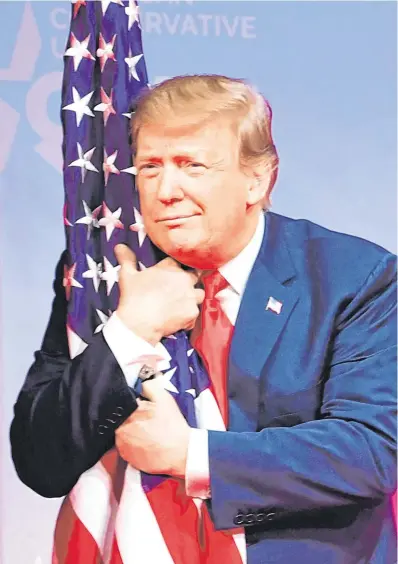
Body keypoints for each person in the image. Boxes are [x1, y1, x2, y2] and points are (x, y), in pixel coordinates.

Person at [10, 75, 397, 563]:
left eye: (191, 165)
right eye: (150, 167)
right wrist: (129, 333)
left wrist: (191, 455)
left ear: (257, 179)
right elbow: (40, 463)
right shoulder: (99, 277)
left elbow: (370, 452)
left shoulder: (353, 277)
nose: (166, 190)